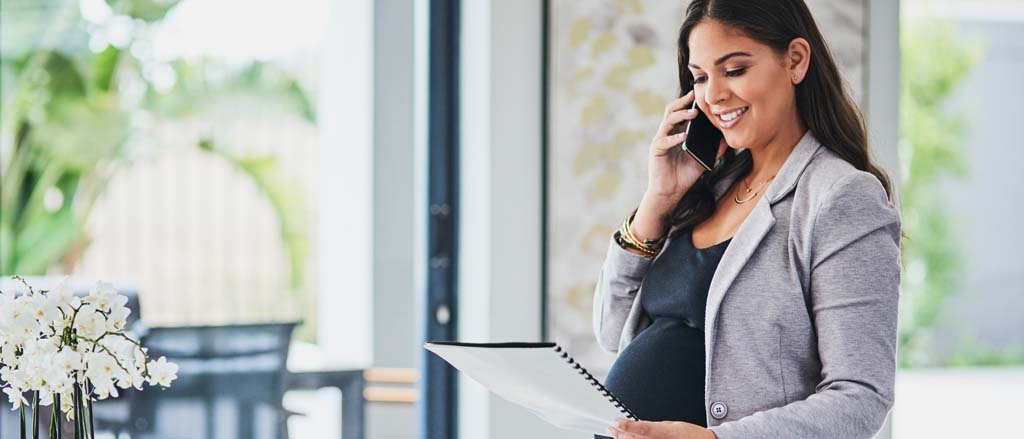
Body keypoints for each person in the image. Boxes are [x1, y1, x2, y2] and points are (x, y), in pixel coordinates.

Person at [592, 1, 902, 438]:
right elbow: (611, 330)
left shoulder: (841, 198)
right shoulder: (706, 190)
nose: (713, 94)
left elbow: (860, 398)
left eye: (734, 70)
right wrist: (658, 199)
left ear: (795, 60)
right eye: (700, 77)